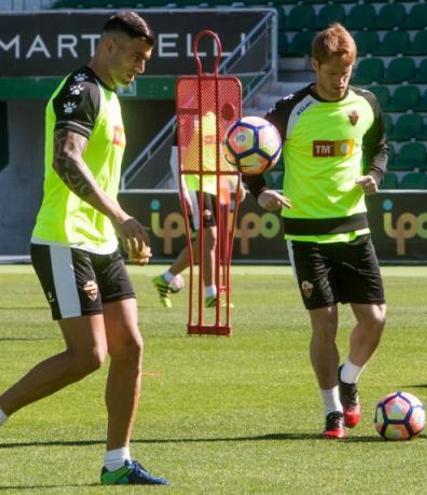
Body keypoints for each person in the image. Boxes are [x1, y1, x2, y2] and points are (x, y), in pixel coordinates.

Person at [0, 12, 168, 484]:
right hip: (63, 238)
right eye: (136, 56)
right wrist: (122, 217)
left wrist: (117, 229)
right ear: (109, 47)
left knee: (130, 346)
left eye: (146, 59)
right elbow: (66, 159)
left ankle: (117, 463)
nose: (142, 67)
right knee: (87, 356)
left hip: (100, 243)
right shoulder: (82, 89)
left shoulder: (112, 97)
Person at [244, 23, 388, 439]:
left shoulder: (368, 104)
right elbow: (248, 151)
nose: (340, 81)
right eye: (331, 74)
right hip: (306, 233)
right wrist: (260, 193)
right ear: (314, 65)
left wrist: (375, 173)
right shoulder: (289, 110)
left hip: (354, 228)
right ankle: (332, 411)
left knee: (375, 320)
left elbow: (379, 146)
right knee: (324, 325)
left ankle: (349, 380)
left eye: (346, 73)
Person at [152, 123, 243, 309]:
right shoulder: (187, 118)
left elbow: (222, 154)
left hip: (215, 184)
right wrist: (182, 190)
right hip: (195, 182)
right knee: (210, 237)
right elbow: (176, 159)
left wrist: (236, 181)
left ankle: (165, 278)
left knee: (206, 241)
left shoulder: (215, 119)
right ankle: (210, 294)